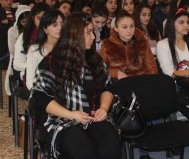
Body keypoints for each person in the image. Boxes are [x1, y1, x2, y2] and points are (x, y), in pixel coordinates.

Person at [29, 13, 121, 159]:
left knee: (111, 149)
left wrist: (103, 108)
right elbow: (42, 98)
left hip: (92, 116)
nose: (94, 37)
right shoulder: (51, 63)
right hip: (61, 119)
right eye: (88, 32)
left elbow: (107, 88)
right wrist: (72, 115)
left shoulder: (94, 59)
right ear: (74, 36)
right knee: (83, 152)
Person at [99, 11, 158, 79]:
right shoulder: (107, 44)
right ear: (116, 28)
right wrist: (115, 73)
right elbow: (100, 69)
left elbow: (152, 69)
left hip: (140, 83)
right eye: (124, 27)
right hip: (118, 85)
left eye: (132, 26)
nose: (129, 30)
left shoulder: (143, 42)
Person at [25, 9, 64, 90]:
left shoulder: (67, 48)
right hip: (41, 94)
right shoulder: (34, 50)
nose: (60, 28)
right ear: (45, 29)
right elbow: (30, 82)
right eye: (55, 25)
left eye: (62, 23)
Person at [13, 3, 50, 80]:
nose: (43, 22)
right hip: (30, 77)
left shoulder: (55, 34)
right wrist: (34, 67)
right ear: (33, 18)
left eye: (45, 18)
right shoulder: (24, 36)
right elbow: (16, 64)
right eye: (39, 18)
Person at [5, 5, 30, 96]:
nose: (26, 24)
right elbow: (12, 50)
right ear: (19, 21)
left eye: (28, 22)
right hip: (17, 60)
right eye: (23, 22)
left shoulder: (34, 30)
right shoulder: (12, 30)